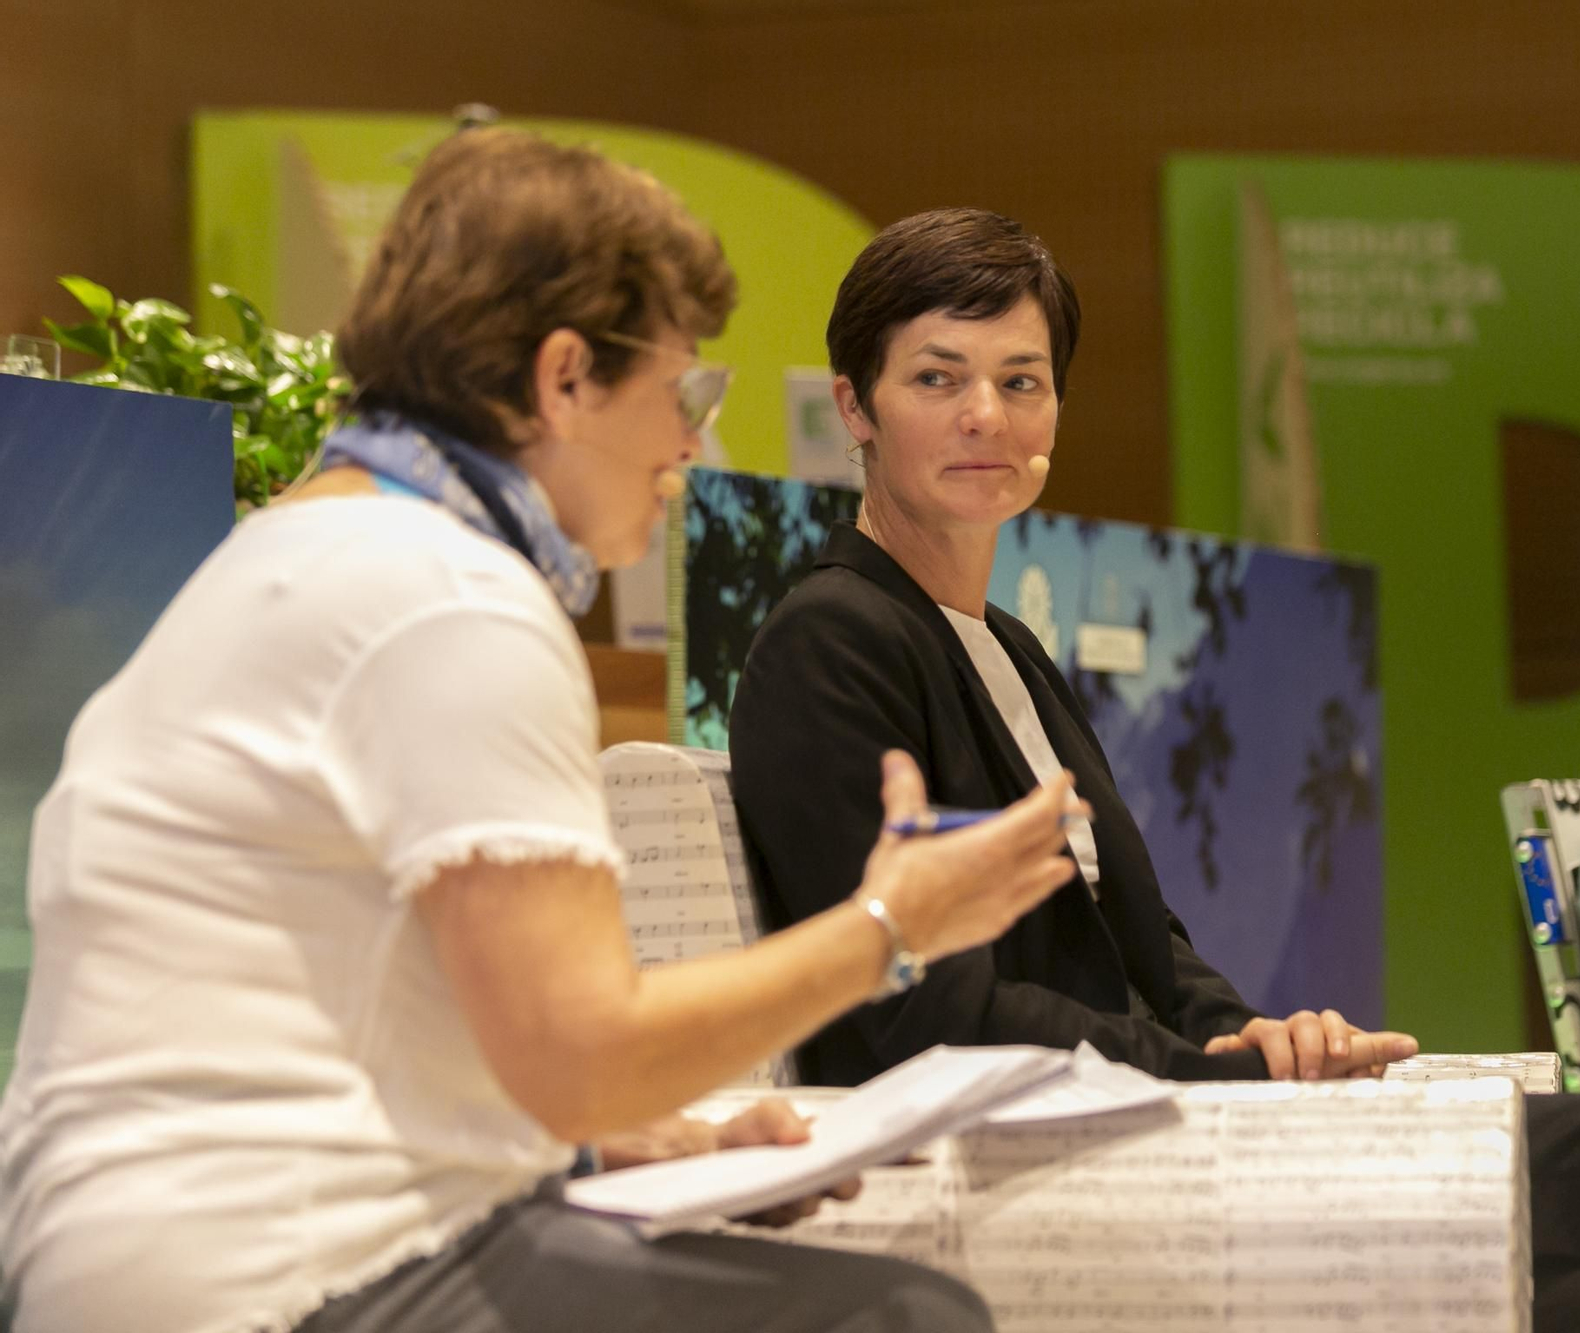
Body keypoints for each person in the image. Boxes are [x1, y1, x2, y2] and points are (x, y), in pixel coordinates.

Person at [0, 131, 1084, 1333]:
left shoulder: (311, 548)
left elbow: (374, 1021)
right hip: (270, 1280)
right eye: (681, 391)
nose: (687, 442)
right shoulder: (449, 598)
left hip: (148, 1258)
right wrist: (891, 925)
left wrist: (632, 1145)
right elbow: (582, 1055)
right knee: (904, 1318)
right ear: (566, 377)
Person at [728, 206, 1580, 1332]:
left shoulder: (1006, 646)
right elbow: (918, 1008)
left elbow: (1138, 941)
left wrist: (1257, 1034)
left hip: (1143, 1109)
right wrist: (1215, 1075)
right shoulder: (834, 636)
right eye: (938, 378)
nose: (986, 414)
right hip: (1013, 1145)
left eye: (1021, 381)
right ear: (853, 407)